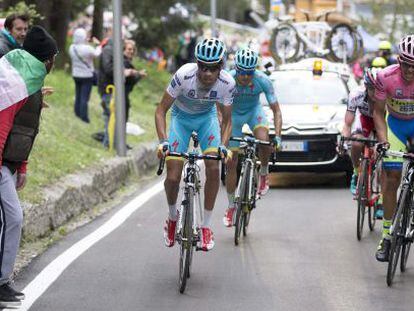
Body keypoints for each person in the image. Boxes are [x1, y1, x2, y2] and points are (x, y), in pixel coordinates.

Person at [155, 38, 235, 251]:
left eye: (213, 68)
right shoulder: (183, 75)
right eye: (203, 67)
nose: (207, 73)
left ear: (221, 67)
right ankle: (173, 218)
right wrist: (163, 141)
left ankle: (206, 226)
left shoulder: (227, 83)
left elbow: (227, 120)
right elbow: (161, 110)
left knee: (213, 167)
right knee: (172, 177)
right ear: (197, 64)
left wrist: (224, 145)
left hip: (206, 120)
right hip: (180, 120)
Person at [0, 25, 57, 308]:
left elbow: (25, 129)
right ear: (45, 59)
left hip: (8, 163)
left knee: (7, 220)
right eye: (52, 58)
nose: (53, 64)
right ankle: (1, 283)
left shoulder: (27, 83)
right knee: (12, 218)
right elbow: (3, 126)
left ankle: (2, 282)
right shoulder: (14, 83)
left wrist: (21, 167)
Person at [223, 48, 282, 227]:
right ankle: (231, 206)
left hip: (254, 112)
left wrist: (278, 137)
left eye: (249, 73)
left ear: (254, 71)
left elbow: (277, 111)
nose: (245, 77)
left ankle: (263, 173)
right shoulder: (227, 79)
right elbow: (218, 109)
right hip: (233, 116)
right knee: (231, 163)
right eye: (242, 72)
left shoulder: (263, 79)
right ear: (236, 69)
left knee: (264, 140)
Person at [373, 35, 414, 262]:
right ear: (399, 60)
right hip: (395, 126)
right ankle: (387, 236)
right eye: (405, 63)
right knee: (392, 178)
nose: (409, 70)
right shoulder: (385, 77)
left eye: (413, 65)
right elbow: (378, 112)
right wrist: (383, 140)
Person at [342, 68, 384, 218]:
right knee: (356, 143)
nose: (375, 93)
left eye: (378, 88)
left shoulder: (387, 95)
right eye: (372, 89)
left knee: (382, 157)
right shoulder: (356, 95)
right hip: (365, 120)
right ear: (366, 86)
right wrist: (343, 139)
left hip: (383, 121)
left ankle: (381, 200)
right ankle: (356, 171)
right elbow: (348, 123)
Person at [69, 28, 102, 123]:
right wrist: (98, 44)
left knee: (78, 95)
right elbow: (97, 54)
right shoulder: (87, 48)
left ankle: (77, 113)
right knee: (84, 97)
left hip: (76, 74)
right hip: (87, 76)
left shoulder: (72, 47)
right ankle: (84, 118)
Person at [123, 40, 147, 124]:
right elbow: (130, 80)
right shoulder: (124, 62)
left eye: (133, 49)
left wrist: (138, 74)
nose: (131, 51)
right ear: (123, 49)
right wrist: (139, 75)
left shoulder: (126, 61)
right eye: (129, 49)